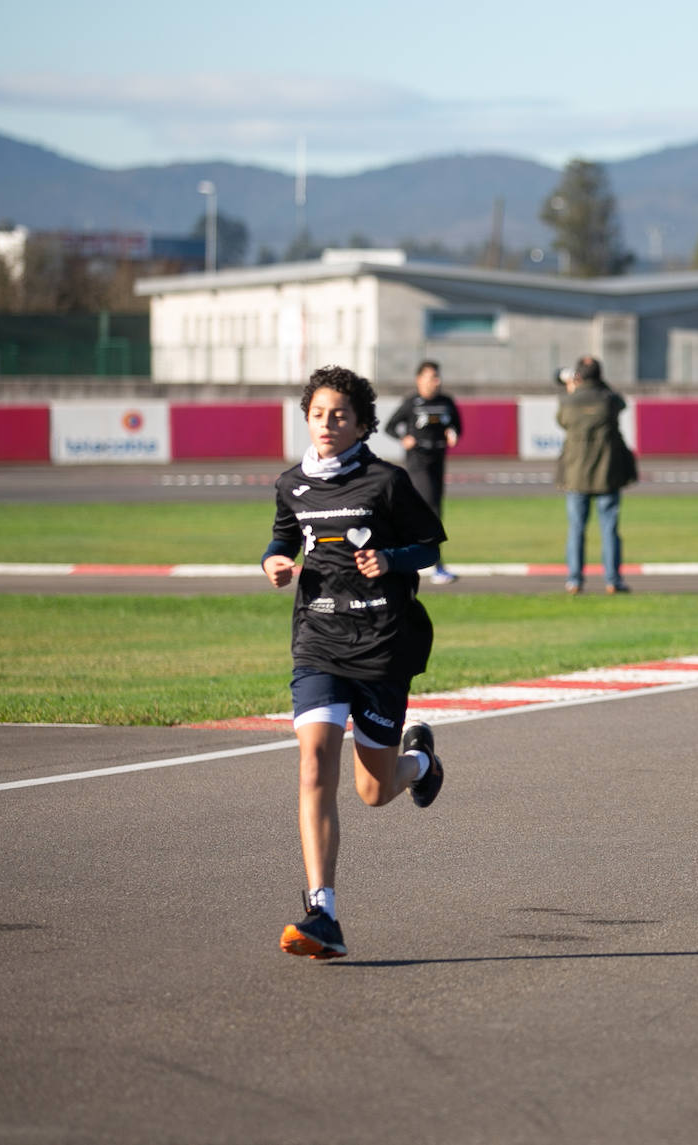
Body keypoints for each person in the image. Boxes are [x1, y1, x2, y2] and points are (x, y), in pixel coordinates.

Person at [263, 365, 448, 960]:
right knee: (315, 762)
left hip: (381, 644)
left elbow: (428, 545)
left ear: (363, 423)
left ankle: (419, 764)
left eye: (339, 415)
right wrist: (274, 562)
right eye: (317, 413)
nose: (326, 423)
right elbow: (283, 538)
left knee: (374, 789)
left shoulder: (385, 482)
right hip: (317, 637)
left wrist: (391, 561)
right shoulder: (292, 484)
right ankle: (323, 911)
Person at [555, 356, 637, 594]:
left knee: (576, 529)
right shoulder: (608, 400)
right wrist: (602, 385)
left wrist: (573, 390)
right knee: (609, 528)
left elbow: (561, 421)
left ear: (578, 376)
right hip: (607, 473)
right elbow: (622, 403)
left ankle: (574, 580)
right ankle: (613, 580)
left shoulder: (568, 402)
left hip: (575, 474)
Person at [384, 360, 463, 585]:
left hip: (438, 460)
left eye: (437, 377)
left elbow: (457, 426)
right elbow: (390, 426)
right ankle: (433, 564)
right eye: (431, 378)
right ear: (419, 380)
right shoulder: (411, 403)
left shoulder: (446, 402)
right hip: (418, 462)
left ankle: (418, 558)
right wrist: (404, 438)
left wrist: (453, 432)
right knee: (429, 509)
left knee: (435, 510)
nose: (435, 382)